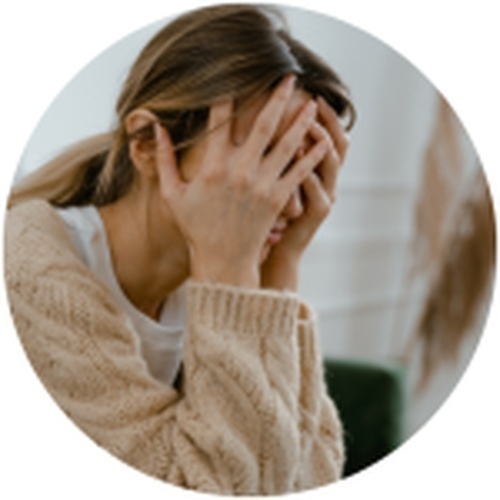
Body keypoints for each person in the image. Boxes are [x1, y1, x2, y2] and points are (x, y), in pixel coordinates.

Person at [5, 4, 355, 495]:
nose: (289, 201)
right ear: (148, 143)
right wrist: (233, 276)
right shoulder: (28, 268)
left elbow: (305, 480)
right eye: (261, 158)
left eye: (307, 168)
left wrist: (282, 269)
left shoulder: (226, 270)